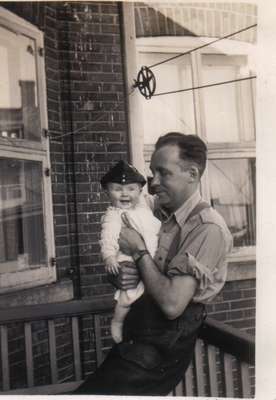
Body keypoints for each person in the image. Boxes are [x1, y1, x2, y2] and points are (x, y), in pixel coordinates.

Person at [74, 132, 232, 396]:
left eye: (163, 173)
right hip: (138, 332)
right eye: (151, 173)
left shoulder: (207, 229)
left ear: (192, 174)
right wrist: (119, 275)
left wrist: (138, 252)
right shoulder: (157, 210)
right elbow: (123, 248)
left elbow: (172, 305)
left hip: (161, 346)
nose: (153, 183)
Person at [99, 160, 161, 343]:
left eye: (131, 189)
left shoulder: (144, 206)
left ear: (140, 192)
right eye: (117, 189)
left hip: (153, 258)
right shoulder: (114, 215)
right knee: (128, 295)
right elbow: (107, 237)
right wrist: (109, 256)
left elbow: (154, 200)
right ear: (107, 192)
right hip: (130, 260)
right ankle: (117, 322)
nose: (125, 194)